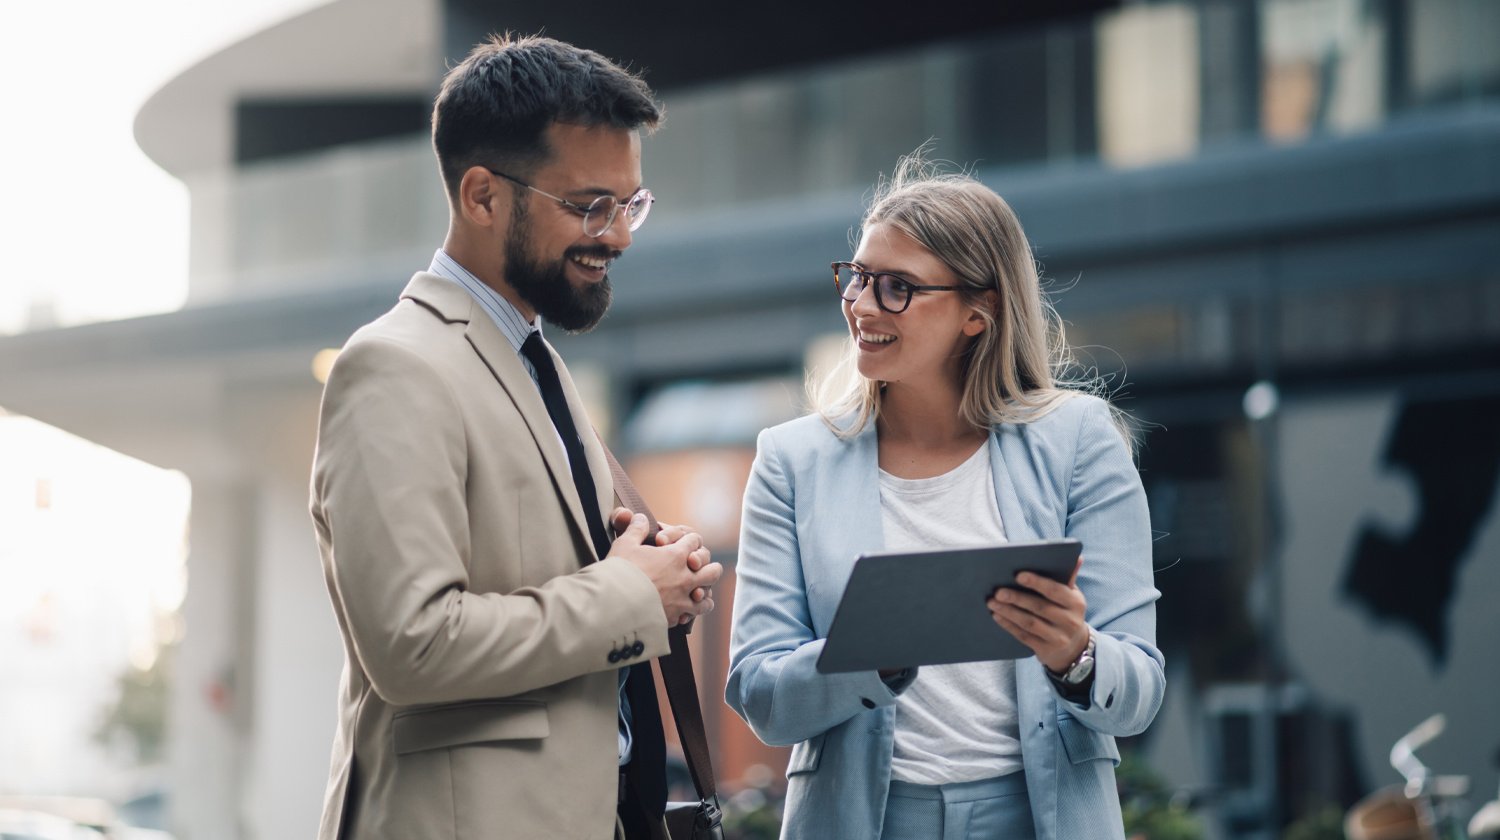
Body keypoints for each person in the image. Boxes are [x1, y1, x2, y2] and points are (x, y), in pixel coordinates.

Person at [309, 34, 723, 840]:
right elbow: (413, 646)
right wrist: (629, 595)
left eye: (630, 204)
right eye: (589, 205)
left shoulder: (533, 361)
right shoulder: (393, 367)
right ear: (482, 196)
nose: (620, 235)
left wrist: (649, 571)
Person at [725, 155, 1164, 840]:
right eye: (858, 277)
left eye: (897, 287)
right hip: (862, 820)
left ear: (978, 313)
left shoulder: (1080, 441)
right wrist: (874, 650)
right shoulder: (792, 461)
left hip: (1038, 816)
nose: (863, 306)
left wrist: (1074, 653)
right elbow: (761, 697)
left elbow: (1137, 693)